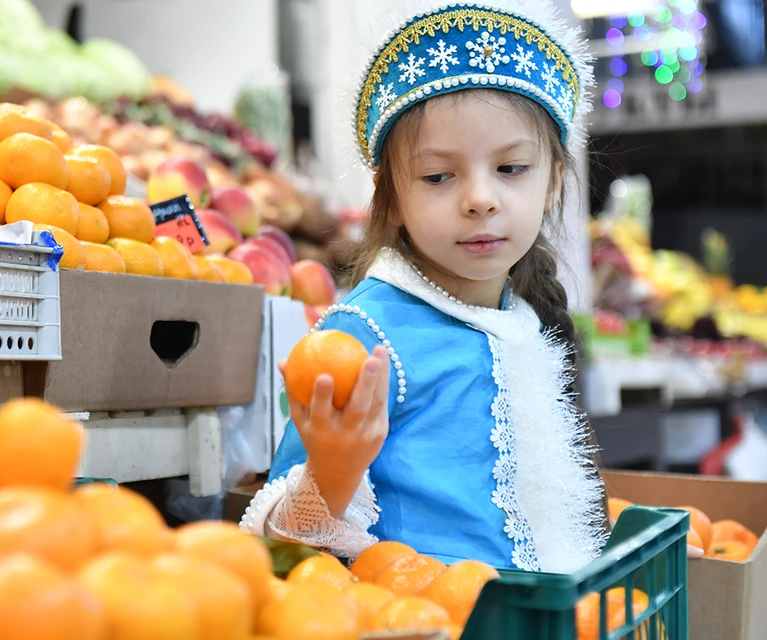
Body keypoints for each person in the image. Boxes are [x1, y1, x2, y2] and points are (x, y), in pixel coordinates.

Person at [240, 0, 699, 571]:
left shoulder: (525, 321)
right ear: (393, 199)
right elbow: (280, 554)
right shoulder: (363, 342)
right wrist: (330, 476)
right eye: (438, 176)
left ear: (555, 183)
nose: (479, 198)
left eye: (511, 169)